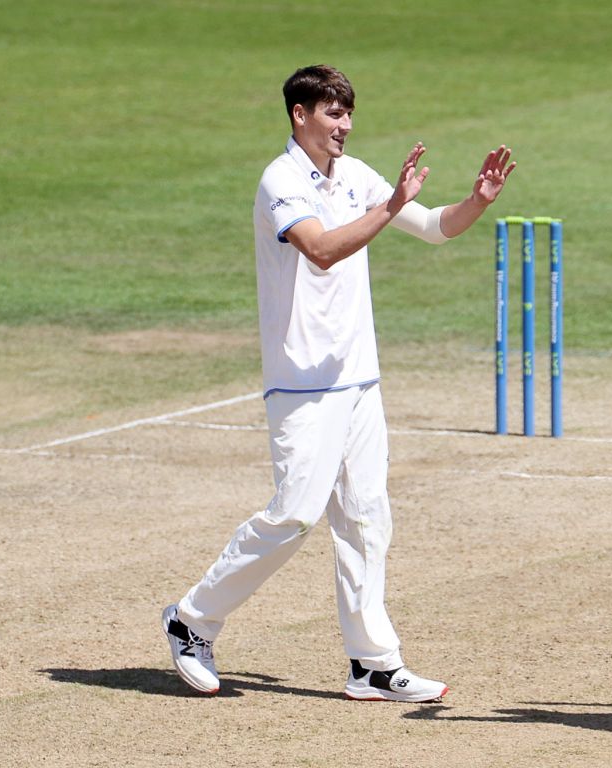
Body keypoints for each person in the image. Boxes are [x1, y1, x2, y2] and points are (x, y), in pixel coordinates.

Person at [162, 64, 515, 701]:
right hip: (302, 382)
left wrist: (477, 201)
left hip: (358, 379)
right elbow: (321, 249)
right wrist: (390, 205)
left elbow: (434, 227)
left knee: (366, 518)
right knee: (295, 513)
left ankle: (373, 663)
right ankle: (192, 619)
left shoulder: (354, 175)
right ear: (300, 115)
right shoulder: (280, 179)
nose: (344, 125)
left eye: (348, 113)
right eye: (332, 113)